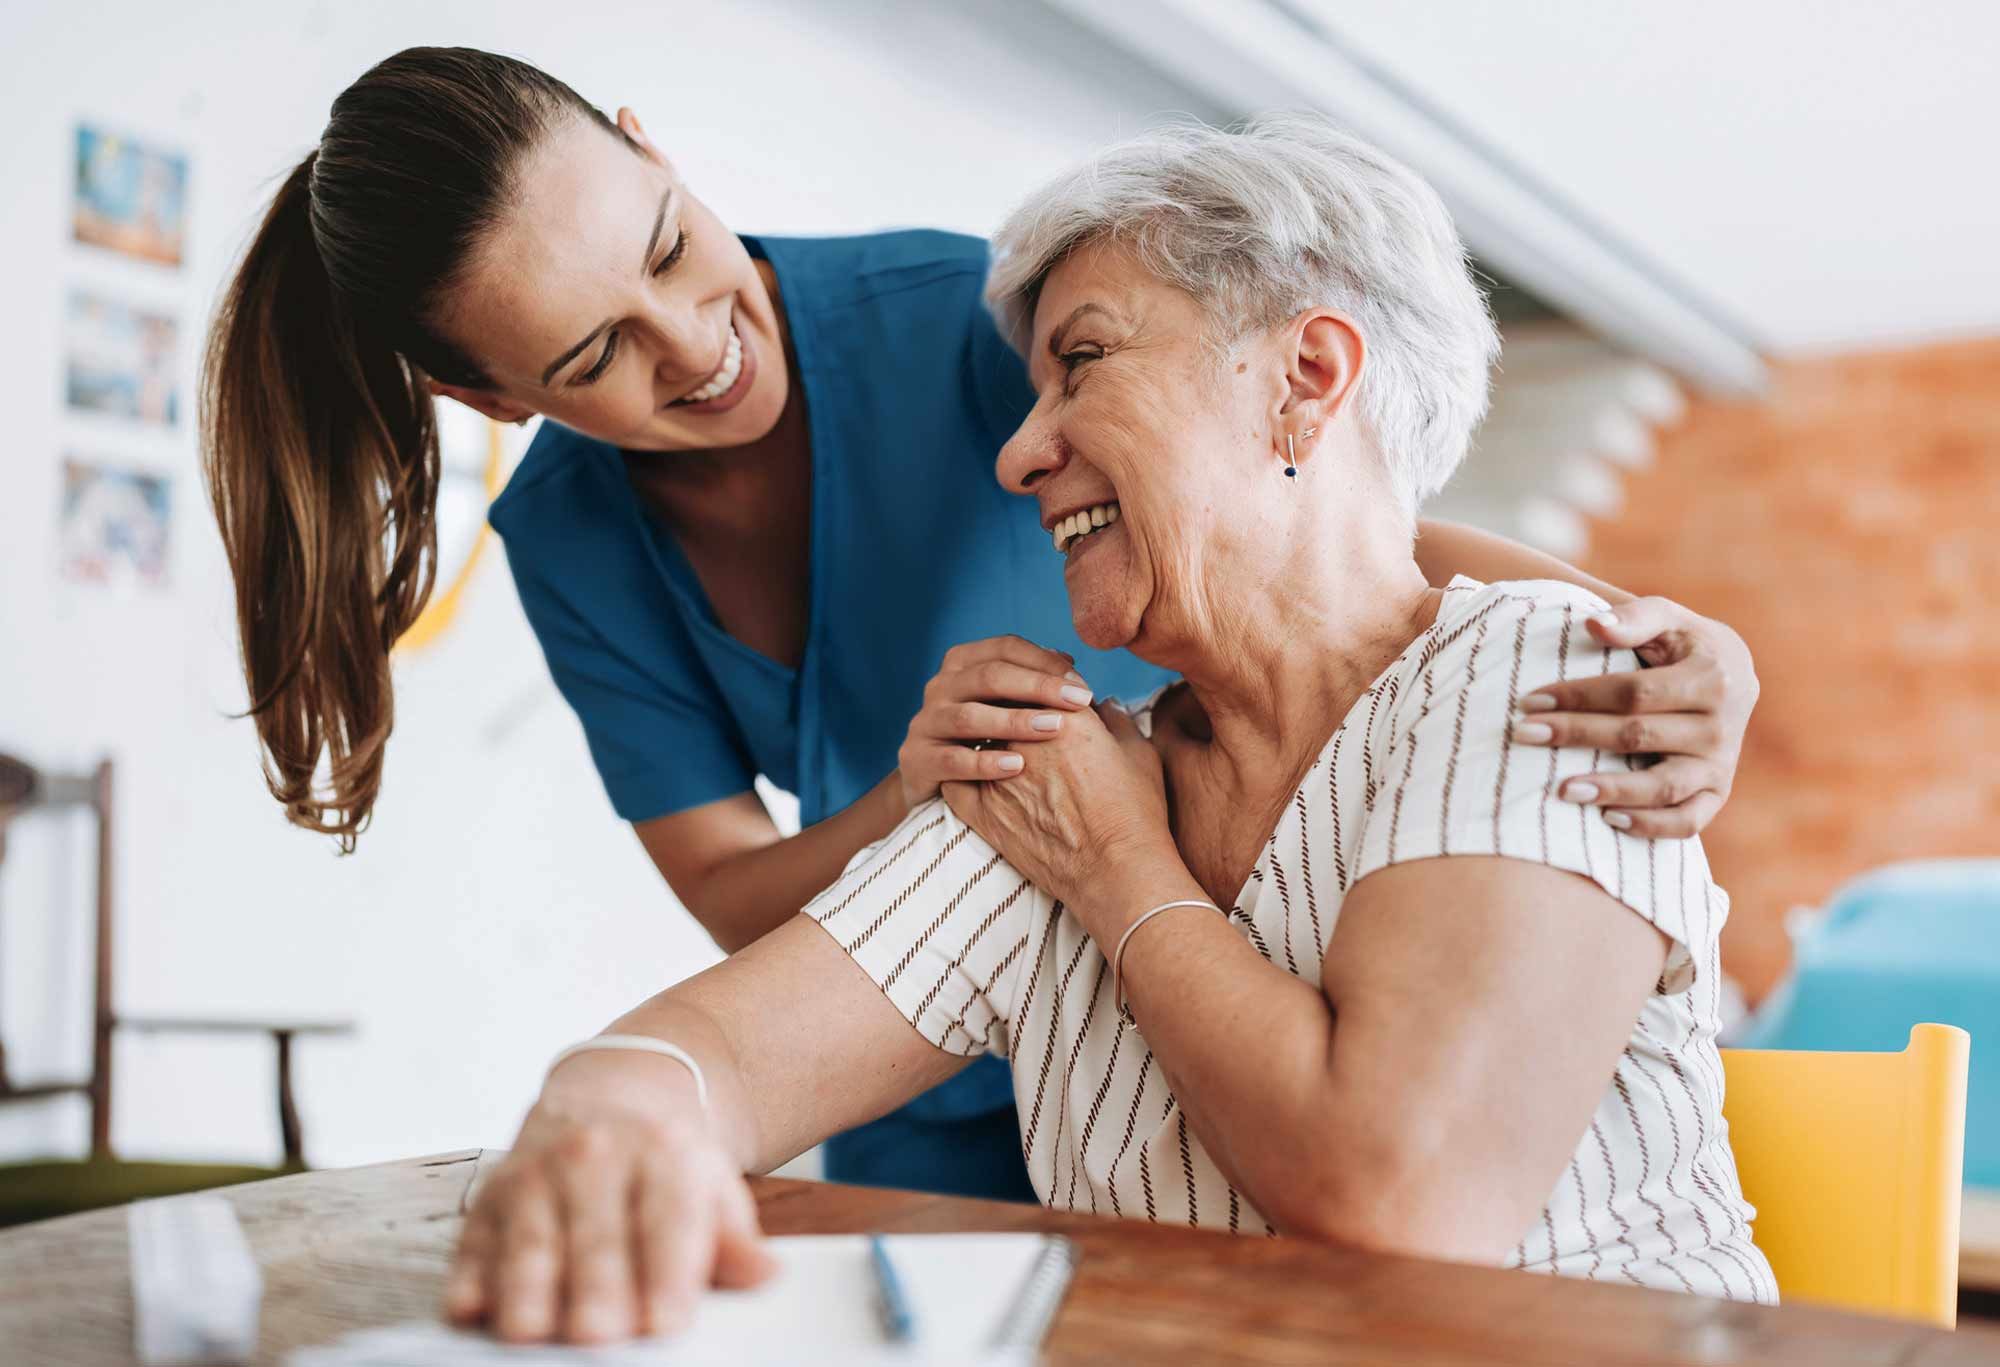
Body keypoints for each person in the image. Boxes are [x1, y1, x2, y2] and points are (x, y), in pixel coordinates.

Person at [202, 47, 1760, 1205]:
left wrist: (1642, 631)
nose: (694, 346)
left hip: (1193, 957)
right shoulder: (580, 546)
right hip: (956, 1034)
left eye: (672, 245)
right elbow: (736, 949)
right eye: (598, 351)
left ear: (649, 147)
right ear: (497, 400)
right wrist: (913, 804)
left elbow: (1315, 522)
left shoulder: (966, 319)